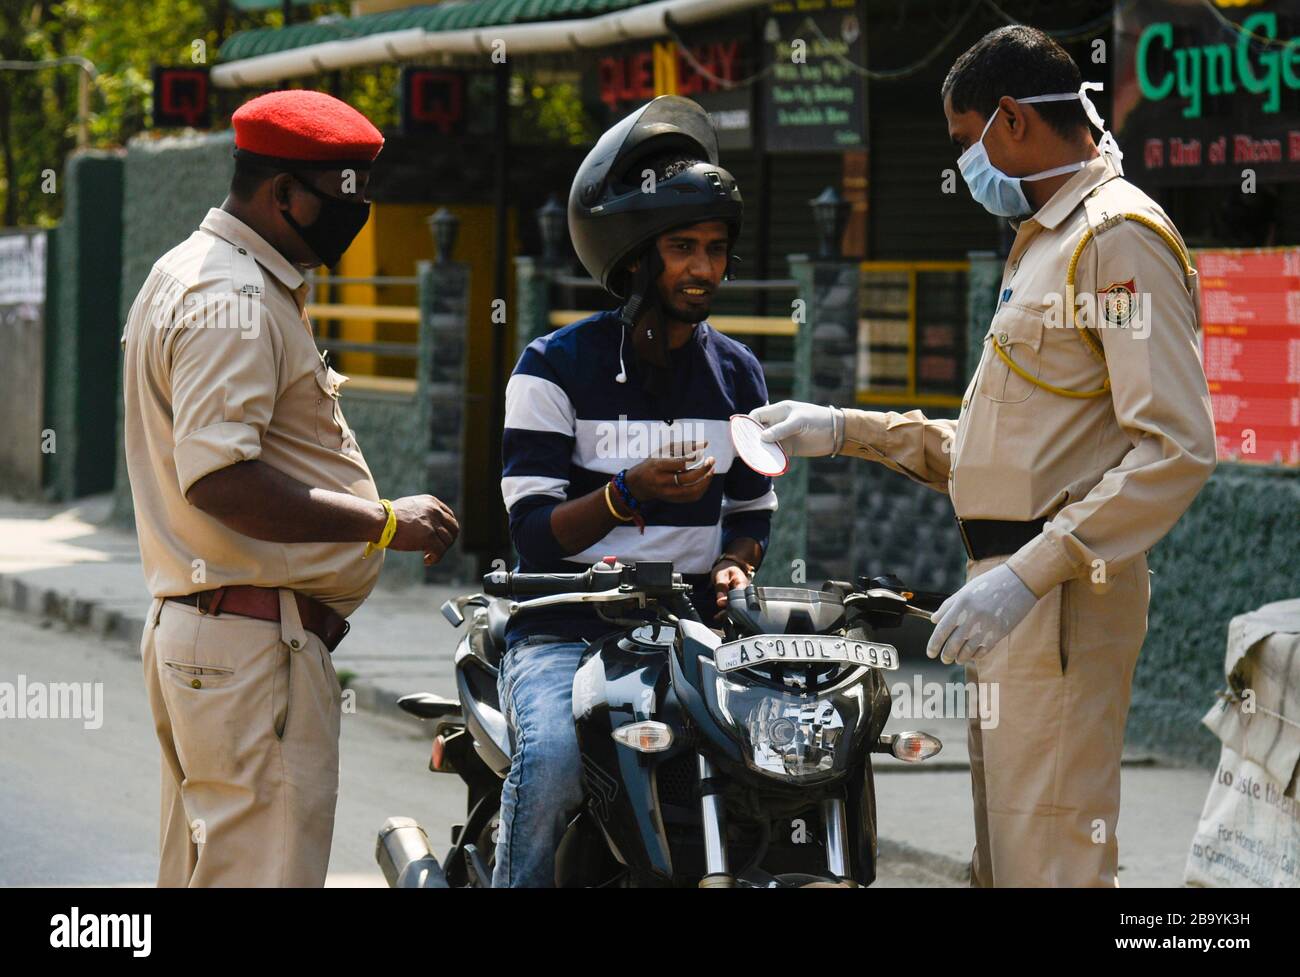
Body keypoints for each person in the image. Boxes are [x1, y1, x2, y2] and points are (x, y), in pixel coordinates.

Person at [752, 26, 1216, 887]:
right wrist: (842, 427)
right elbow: (1008, 449)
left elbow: (1175, 449)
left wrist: (1030, 574)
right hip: (1012, 601)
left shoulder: (1114, 241)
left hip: (1063, 599)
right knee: (1001, 863)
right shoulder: (1045, 239)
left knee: (1051, 863)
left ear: (1010, 120)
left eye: (965, 143)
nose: (963, 165)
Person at [122, 89, 459, 887]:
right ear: (280, 193)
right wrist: (384, 525)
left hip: (219, 639)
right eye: (344, 199)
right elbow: (221, 479)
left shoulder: (193, 272)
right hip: (249, 649)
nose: (357, 217)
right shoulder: (232, 299)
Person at [494, 95, 777, 887]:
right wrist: (625, 495)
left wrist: (735, 564)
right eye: (683, 247)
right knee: (552, 760)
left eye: (717, 248)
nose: (705, 268)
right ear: (636, 258)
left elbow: (752, 513)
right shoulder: (552, 368)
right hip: (564, 633)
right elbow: (535, 535)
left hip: (690, 638)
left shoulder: (739, 375)